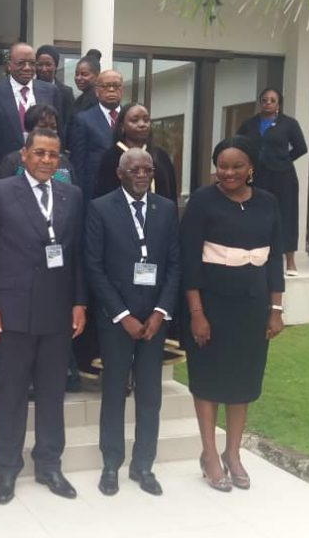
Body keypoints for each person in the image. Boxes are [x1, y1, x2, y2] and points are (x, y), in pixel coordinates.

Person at [0, 127, 87, 505]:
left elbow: (77, 254)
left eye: (53, 155)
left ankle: (49, 464)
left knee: (53, 392)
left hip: (58, 310)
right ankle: (7, 467)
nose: (46, 160)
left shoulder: (72, 195)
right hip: (13, 311)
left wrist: (79, 302)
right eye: (39, 153)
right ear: (24, 155)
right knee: (11, 392)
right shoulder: (0, 193)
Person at [181, 135, 285, 493]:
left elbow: (274, 259)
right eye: (222, 166)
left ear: (251, 167)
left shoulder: (268, 202)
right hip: (211, 306)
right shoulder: (202, 201)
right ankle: (210, 454)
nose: (228, 173)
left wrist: (276, 309)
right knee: (208, 380)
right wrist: (196, 312)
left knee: (243, 382)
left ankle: (233, 453)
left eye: (237, 166)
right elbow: (189, 260)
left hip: (253, 308)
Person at [86, 148, 180, 497]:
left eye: (147, 169)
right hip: (117, 320)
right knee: (114, 392)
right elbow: (93, 266)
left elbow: (175, 264)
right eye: (134, 170)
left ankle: (143, 465)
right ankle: (111, 463)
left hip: (155, 319)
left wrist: (160, 312)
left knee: (150, 395)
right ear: (120, 173)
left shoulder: (166, 209)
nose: (141, 175)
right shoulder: (100, 208)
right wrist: (123, 315)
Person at [236, 88, 307, 275]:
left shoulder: (289, 123)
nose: (268, 103)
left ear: (278, 104)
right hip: (257, 175)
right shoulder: (249, 124)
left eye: (272, 100)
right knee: (256, 213)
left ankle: (290, 261)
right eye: (265, 100)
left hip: (283, 176)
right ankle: (255, 257)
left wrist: (283, 159)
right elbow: (238, 144)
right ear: (260, 102)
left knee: (287, 215)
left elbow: (301, 147)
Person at [0, 42, 64, 173]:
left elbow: (58, 132)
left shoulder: (51, 91)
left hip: (43, 166)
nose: (27, 68)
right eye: (21, 63)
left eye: (32, 63)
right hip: (6, 169)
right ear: (9, 65)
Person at [93, 103, 178, 202]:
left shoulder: (161, 156)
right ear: (122, 126)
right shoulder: (111, 157)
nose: (142, 124)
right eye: (134, 120)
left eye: (146, 120)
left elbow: (171, 195)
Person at [69, 69, 124, 198]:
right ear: (97, 91)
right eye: (106, 86)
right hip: (96, 192)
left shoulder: (130, 117)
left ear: (122, 90)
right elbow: (78, 164)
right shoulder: (83, 120)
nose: (111, 90)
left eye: (116, 86)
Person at [0, 104, 76, 184]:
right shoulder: (12, 161)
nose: (49, 131)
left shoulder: (63, 161)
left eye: (53, 127)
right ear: (29, 130)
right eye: (43, 127)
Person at [36, 45, 75, 130]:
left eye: (48, 64)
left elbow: (69, 123)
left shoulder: (66, 92)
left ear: (56, 66)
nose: (44, 69)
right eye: (40, 65)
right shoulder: (29, 89)